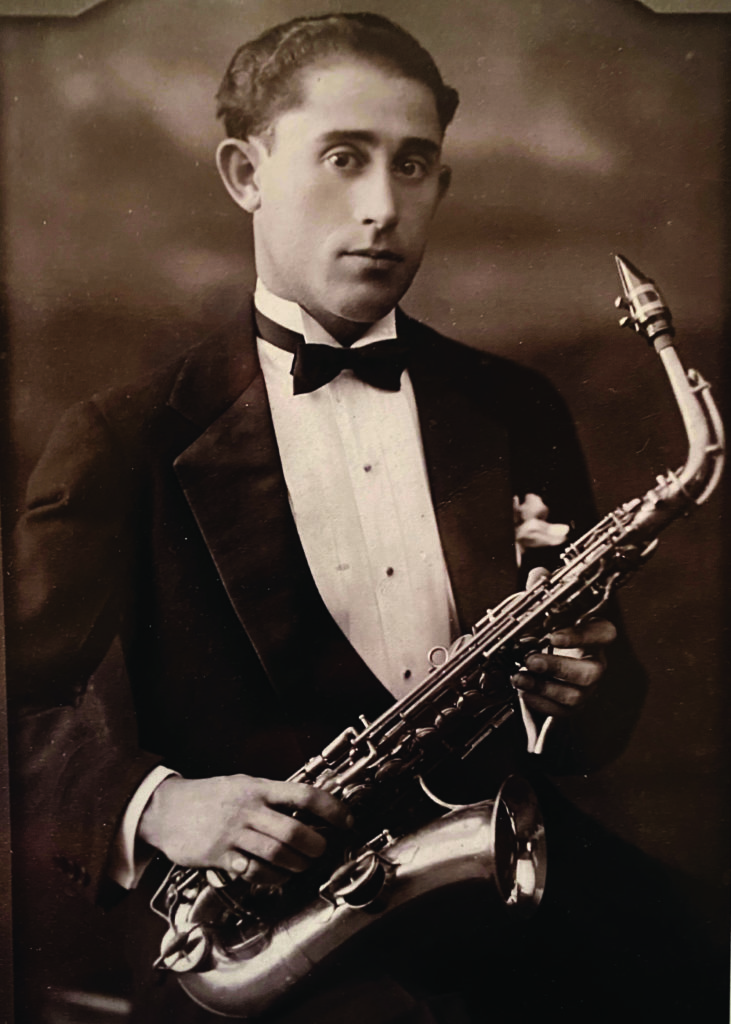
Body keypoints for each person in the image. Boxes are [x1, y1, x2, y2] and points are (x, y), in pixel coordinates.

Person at [8, 12, 655, 1024]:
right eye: (343, 158)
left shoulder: (517, 408)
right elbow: (21, 707)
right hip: (261, 949)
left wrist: (580, 685)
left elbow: (601, 724)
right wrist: (157, 804)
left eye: (413, 166)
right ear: (243, 172)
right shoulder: (122, 439)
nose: (381, 208)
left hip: (505, 911)